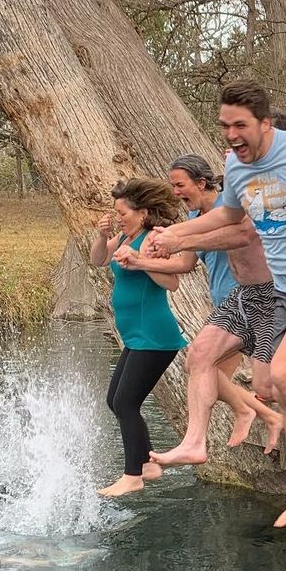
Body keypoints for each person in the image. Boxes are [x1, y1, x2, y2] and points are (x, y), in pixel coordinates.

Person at [144, 80, 286, 528]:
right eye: (224, 126)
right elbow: (229, 215)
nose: (230, 135)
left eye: (240, 125)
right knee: (260, 378)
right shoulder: (237, 171)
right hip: (281, 290)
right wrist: (175, 234)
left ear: (264, 124)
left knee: (280, 376)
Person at [145, 154, 282, 463]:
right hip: (241, 296)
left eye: (235, 151)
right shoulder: (222, 202)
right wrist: (168, 240)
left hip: (273, 294)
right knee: (198, 357)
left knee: (268, 385)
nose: (228, 157)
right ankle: (194, 443)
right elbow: (200, 234)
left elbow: (242, 235)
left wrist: (179, 238)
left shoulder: (266, 190)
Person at [90, 177, 187, 497]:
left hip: (154, 335)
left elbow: (172, 282)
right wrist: (102, 235)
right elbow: (98, 259)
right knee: (114, 400)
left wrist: (140, 262)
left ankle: (133, 475)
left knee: (125, 402)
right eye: (115, 212)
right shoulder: (124, 236)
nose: (118, 217)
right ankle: (146, 462)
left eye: (123, 212)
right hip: (137, 337)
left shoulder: (150, 240)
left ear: (143, 213)